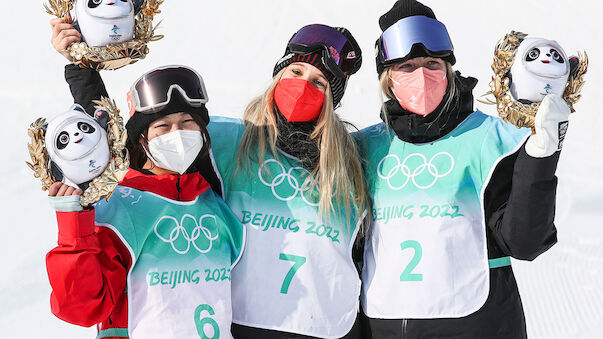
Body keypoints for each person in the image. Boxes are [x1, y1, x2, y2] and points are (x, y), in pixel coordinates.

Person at [51, 20, 369, 338]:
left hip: (329, 326)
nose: (302, 88)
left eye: (319, 83)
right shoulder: (229, 141)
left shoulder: (351, 162)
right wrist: (83, 66)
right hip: (246, 325)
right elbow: (121, 140)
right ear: (279, 75)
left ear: (333, 99)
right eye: (296, 72)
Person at [358, 1, 566, 338]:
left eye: (431, 64)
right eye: (407, 66)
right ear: (388, 79)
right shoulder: (364, 148)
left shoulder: (491, 139)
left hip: (476, 324)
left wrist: (540, 158)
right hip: (381, 325)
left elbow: (525, 243)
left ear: (448, 70)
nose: (421, 76)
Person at [45, 65, 244, 338]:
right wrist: (73, 225)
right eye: (163, 126)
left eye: (188, 122)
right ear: (142, 138)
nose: (177, 133)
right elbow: (81, 308)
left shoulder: (212, 200)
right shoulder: (120, 204)